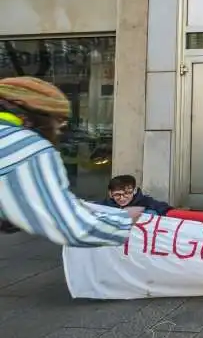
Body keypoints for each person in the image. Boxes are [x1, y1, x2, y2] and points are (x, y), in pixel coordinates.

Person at [0, 76, 143, 246]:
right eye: (58, 119)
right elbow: (72, 226)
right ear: (30, 117)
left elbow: (50, 201)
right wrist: (125, 221)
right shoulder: (25, 146)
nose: (61, 128)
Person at [99, 174, 172, 216]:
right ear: (110, 194)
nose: (122, 198)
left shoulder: (145, 202)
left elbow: (165, 209)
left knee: (151, 213)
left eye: (127, 193)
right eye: (117, 195)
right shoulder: (106, 204)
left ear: (134, 190)